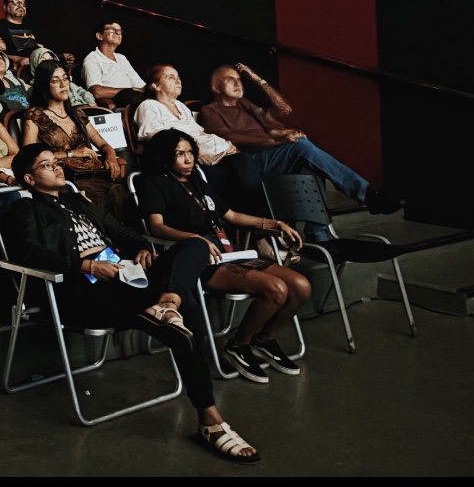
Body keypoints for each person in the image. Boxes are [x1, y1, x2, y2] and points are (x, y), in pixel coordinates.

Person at [6, 143, 260, 464]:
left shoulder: (75, 199)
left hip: (125, 274)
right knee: (182, 322)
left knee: (196, 245)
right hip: (85, 288)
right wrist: (87, 266)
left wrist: (140, 246)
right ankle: (211, 420)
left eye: (56, 162)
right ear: (29, 179)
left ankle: (167, 302)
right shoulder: (25, 209)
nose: (57, 167)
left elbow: (118, 229)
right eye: (46, 165)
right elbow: (30, 253)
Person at [137, 129, 311, 384]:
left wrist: (275, 224)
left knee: (301, 286)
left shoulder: (196, 179)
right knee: (276, 290)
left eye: (190, 153)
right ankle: (240, 345)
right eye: (179, 154)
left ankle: (265, 339)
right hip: (200, 260)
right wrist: (194, 240)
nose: (188, 160)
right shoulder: (154, 183)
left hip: (231, 253)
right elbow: (156, 227)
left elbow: (231, 216)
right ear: (165, 157)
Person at [197, 63, 401, 215]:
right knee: (301, 147)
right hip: (249, 162)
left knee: (310, 168)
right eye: (230, 79)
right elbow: (230, 136)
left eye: (240, 79)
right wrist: (276, 141)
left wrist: (256, 77)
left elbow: (285, 109)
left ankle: (320, 237)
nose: (238, 83)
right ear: (216, 87)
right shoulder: (210, 111)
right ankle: (365, 194)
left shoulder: (246, 105)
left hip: (272, 157)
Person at [22, 60, 126, 216]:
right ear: (45, 84)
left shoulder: (78, 113)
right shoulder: (34, 116)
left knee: (121, 192)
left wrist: (110, 156)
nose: (63, 84)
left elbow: (103, 144)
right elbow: (29, 156)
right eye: (55, 80)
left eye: (65, 78)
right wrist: (71, 153)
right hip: (65, 178)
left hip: (92, 172)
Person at [81, 21, 147, 108]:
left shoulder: (121, 58)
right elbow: (97, 92)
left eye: (119, 31)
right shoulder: (92, 59)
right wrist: (128, 91)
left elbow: (141, 86)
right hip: (118, 106)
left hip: (135, 100)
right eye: (112, 29)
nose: (118, 33)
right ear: (99, 36)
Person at [0, 0, 48, 69]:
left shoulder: (33, 27)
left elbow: (41, 47)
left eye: (23, 3)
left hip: (40, 65)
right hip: (15, 69)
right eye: (16, 2)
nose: (20, 6)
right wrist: (16, 59)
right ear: (5, 7)